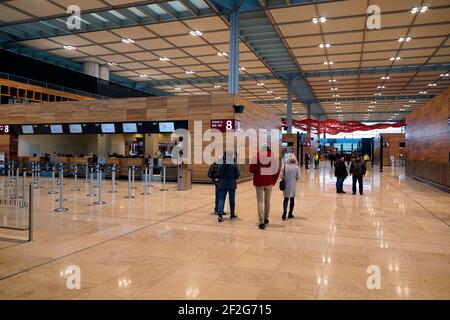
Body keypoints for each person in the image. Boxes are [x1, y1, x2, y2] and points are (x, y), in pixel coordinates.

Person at [249, 144, 280, 230]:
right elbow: (277, 170)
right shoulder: (273, 157)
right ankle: (266, 217)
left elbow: (251, 170)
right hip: (269, 182)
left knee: (260, 201)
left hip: (259, 182)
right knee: (267, 200)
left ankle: (261, 221)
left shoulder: (256, 157)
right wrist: (273, 181)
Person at [216, 152, 240, 222]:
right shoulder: (233, 164)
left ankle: (220, 214)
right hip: (232, 183)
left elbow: (219, 172)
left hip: (223, 183)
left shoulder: (221, 164)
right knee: (232, 199)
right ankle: (232, 214)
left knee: (221, 199)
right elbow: (237, 174)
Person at [280, 154, 299, 220]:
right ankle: (290, 213)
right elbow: (298, 177)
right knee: (292, 199)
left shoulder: (284, 166)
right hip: (293, 185)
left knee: (286, 199)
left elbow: (281, 176)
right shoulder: (296, 167)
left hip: (286, 185)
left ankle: (284, 212)